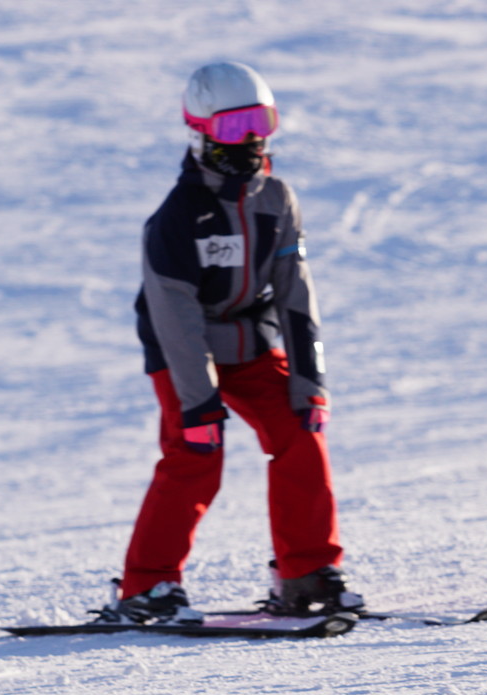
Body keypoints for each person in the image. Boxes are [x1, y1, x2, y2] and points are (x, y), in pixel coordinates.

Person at [94, 61, 365, 626]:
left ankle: (306, 573)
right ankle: (148, 587)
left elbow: (296, 293)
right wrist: (198, 403)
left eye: (261, 122)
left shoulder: (277, 201)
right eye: (232, 126)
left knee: (300, 435)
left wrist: (309, 383)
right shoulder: (176, 218)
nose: (250, 138)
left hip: (251, 341)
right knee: (196, 453)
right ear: (200, 130)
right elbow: (175, 318)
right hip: (183, 352)